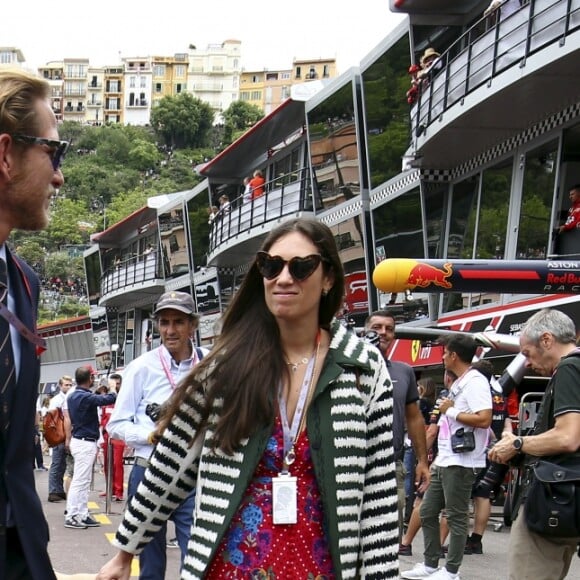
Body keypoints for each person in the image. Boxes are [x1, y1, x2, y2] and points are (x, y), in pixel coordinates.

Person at [97, 218, 399, 579]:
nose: (284, 278)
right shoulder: (227, 366)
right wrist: (124, 552)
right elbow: (172, 461)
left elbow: (378, 495)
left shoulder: (362, 368)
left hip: (322, 567)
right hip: (230, 566)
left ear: (329, 278)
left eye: (301, 267)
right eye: (271, 266)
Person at [0, 67, 68, 579]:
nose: (60, 176)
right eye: (53, 152)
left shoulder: (24, 283)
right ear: (6, 154)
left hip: (20, 548)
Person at [105, 290, 207, 579]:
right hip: (148, 472)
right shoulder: (141, 368)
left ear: (193, 326)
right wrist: (150, 435)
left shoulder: (210, 365)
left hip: (193, 475)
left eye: (178, 322)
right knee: (150, 564)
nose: (170, 330)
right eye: (164, 322)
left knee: (198, 558)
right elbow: (116, 424)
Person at [488, 308, 580, 580]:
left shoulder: (569, 367)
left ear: (547, 340)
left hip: (554, 498)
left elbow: (568, 436)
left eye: (527, 353)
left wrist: (517, 443)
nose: (526, 363)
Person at [402, 335, 492, 580]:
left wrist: (450, 410)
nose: (441, 357)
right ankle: (431, 564)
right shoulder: (462, 381)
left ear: (454, 356)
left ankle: (452, 570)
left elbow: (484, 418)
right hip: (446, 458)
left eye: (445, 353)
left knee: (456, 515)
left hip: (462, 462)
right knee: (428, 510)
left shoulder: (475, 382)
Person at [365, 310, 430, 541]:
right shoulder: (346, 365)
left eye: (389, 328)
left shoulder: (404, 371)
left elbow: (414, 418)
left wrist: (422, 461)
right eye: (377, 327)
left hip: (392, 465)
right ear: (365, 331)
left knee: (387, 536)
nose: (383, 332)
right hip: (352, 466)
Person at [64, 365, 116, 529]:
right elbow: (108, 399)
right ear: (90, 379)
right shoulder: (84, 397)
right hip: (84, 442)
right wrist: (113, 388)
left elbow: (95, 399)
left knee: (84, 481)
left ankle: (82, 513)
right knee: (80, 481)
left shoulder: (75, 395)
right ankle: (72, 514)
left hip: (82, 440)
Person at [100, 373, 125, 501]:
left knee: (117, 463)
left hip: (119, 436)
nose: (115, 386)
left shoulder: (124, 398)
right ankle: (110, 488)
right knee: (107, 463)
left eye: (117, 384)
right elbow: (102, 417)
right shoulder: (106, 399)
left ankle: (118, 491)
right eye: (113, 384)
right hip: (106, 435)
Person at [48, 375, 74, 502]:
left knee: (63, 464)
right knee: (57, 463)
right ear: (60, 385)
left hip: (67, 434)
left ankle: (58, 489)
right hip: (59, 435)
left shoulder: (70, 397)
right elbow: (51, 419)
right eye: (66, 385)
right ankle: (53, 491)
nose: (68, 387)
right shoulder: (56, 400)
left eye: (70, 384)